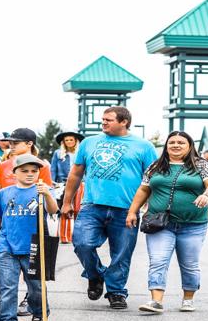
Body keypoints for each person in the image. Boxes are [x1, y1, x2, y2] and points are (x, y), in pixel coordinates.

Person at [62, 106, 158, 310]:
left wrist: (150, 207)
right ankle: (95, 275)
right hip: (92, 205)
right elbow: (76, 174)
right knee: (82, 243)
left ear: (124, 122)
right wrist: (67, 202)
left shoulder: (144, 146)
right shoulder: (89, 143)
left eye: (109, 120)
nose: (103, 123)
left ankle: (116, 292)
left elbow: (152, 180)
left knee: (121, 253)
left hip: (126, 209)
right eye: (103, 119)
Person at [125, 130, 208, 314]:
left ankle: (188, 299)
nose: (175, 145)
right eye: (172, 142)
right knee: (158, 260)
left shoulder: (201, 165)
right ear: (166, 146)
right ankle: (156, 301)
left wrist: (207, 195)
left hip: (193, 224)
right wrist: (132, 212)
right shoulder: (156, 166)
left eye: (181, 142)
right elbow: (143, 190)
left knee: (189, 263)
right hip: (160, 224)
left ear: (190, 146)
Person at [0, 154, 59, 321]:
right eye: (24, 171)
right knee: (7, 286)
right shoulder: (3, 194)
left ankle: (39, 315)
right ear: (14, 172)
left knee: (36, 286)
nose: (30, 174)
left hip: (34, 245)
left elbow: (53, 210)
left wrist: (47, 194)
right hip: (6, 246)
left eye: (34, 171)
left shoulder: (42, 190)